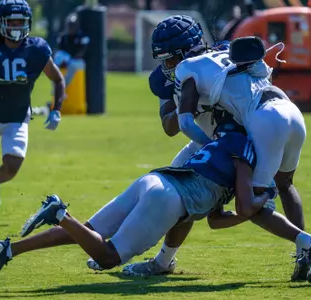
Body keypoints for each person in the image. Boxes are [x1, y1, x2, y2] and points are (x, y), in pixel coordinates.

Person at [0, 118, 311, 291]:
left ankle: (7, 250)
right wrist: (261, 199)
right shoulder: (244, 147)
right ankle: (60, 212)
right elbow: (242, 204)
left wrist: (249, 210)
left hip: (156, 180)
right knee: (107, 257)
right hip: (169, 198)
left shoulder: (219, 141)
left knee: (87, 233)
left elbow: (217, 219)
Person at [110, 14, 271, 277]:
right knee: (174, 194)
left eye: (173, 58)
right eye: (163, 60)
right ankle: (163, 261)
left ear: (191, 49)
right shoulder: (165, 78)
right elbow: (170, 127)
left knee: (260, 197)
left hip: (240, 139)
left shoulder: (224, 55)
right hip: (204, 139)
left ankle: (303, 245)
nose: (168, 66)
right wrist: (184, 99)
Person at [174, 36, 309, 280]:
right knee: (286, 184)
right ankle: (305, 252)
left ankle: (307, 242)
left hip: (265, 120)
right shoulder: (255, 70)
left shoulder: (191, 67)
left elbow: (184, 122)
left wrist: (211, 147)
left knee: (250, 205)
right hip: (293, 112)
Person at [0, 0, 65, 223]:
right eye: (12, 22)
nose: (17, 27)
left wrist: (56, 109)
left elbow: (58, 79)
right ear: (1, 24)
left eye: (21, 22)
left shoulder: (37, 49)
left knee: (12, 166)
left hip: (17, 119)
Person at [53, 13, 89, 87]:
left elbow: (83, 50)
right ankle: (55, 87)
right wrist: (63, 61)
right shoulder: (63, 37)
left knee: (74, 65)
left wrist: (69, 61)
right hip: (66, 58)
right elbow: (59, 50)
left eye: (72, 25)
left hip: (76, 60)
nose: (70, 27)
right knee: (55, 64)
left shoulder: (82, 36)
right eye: (69, 25)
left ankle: (63, 85)